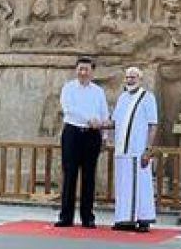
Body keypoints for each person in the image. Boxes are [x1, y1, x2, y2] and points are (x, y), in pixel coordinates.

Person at [56, 56, 109, 228]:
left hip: (92, 135)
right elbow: (68, 109)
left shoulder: (98, 91)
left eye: (86, 69)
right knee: (70, 174)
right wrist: (89, 119)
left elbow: (103, 113)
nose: (83, 72)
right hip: (73, 132)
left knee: (89, 176)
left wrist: (105, 135)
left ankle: (88, 217)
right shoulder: (68, 88)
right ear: (76, 70)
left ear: (92, 71)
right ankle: (66, 216)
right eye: (80, 69)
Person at [109, 67, 158, 232]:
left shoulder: (147, 97)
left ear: (140, 79)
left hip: (139, 150)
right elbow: (114, 122)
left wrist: (148, 149)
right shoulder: (122, 98)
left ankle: (143, 219)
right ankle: (124, 219)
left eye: (133, 77)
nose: (130, 80)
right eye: (128, 77)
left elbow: (153, 125)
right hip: (122, 150)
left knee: (142, 185)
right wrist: (97, 123)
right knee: (123, 185)